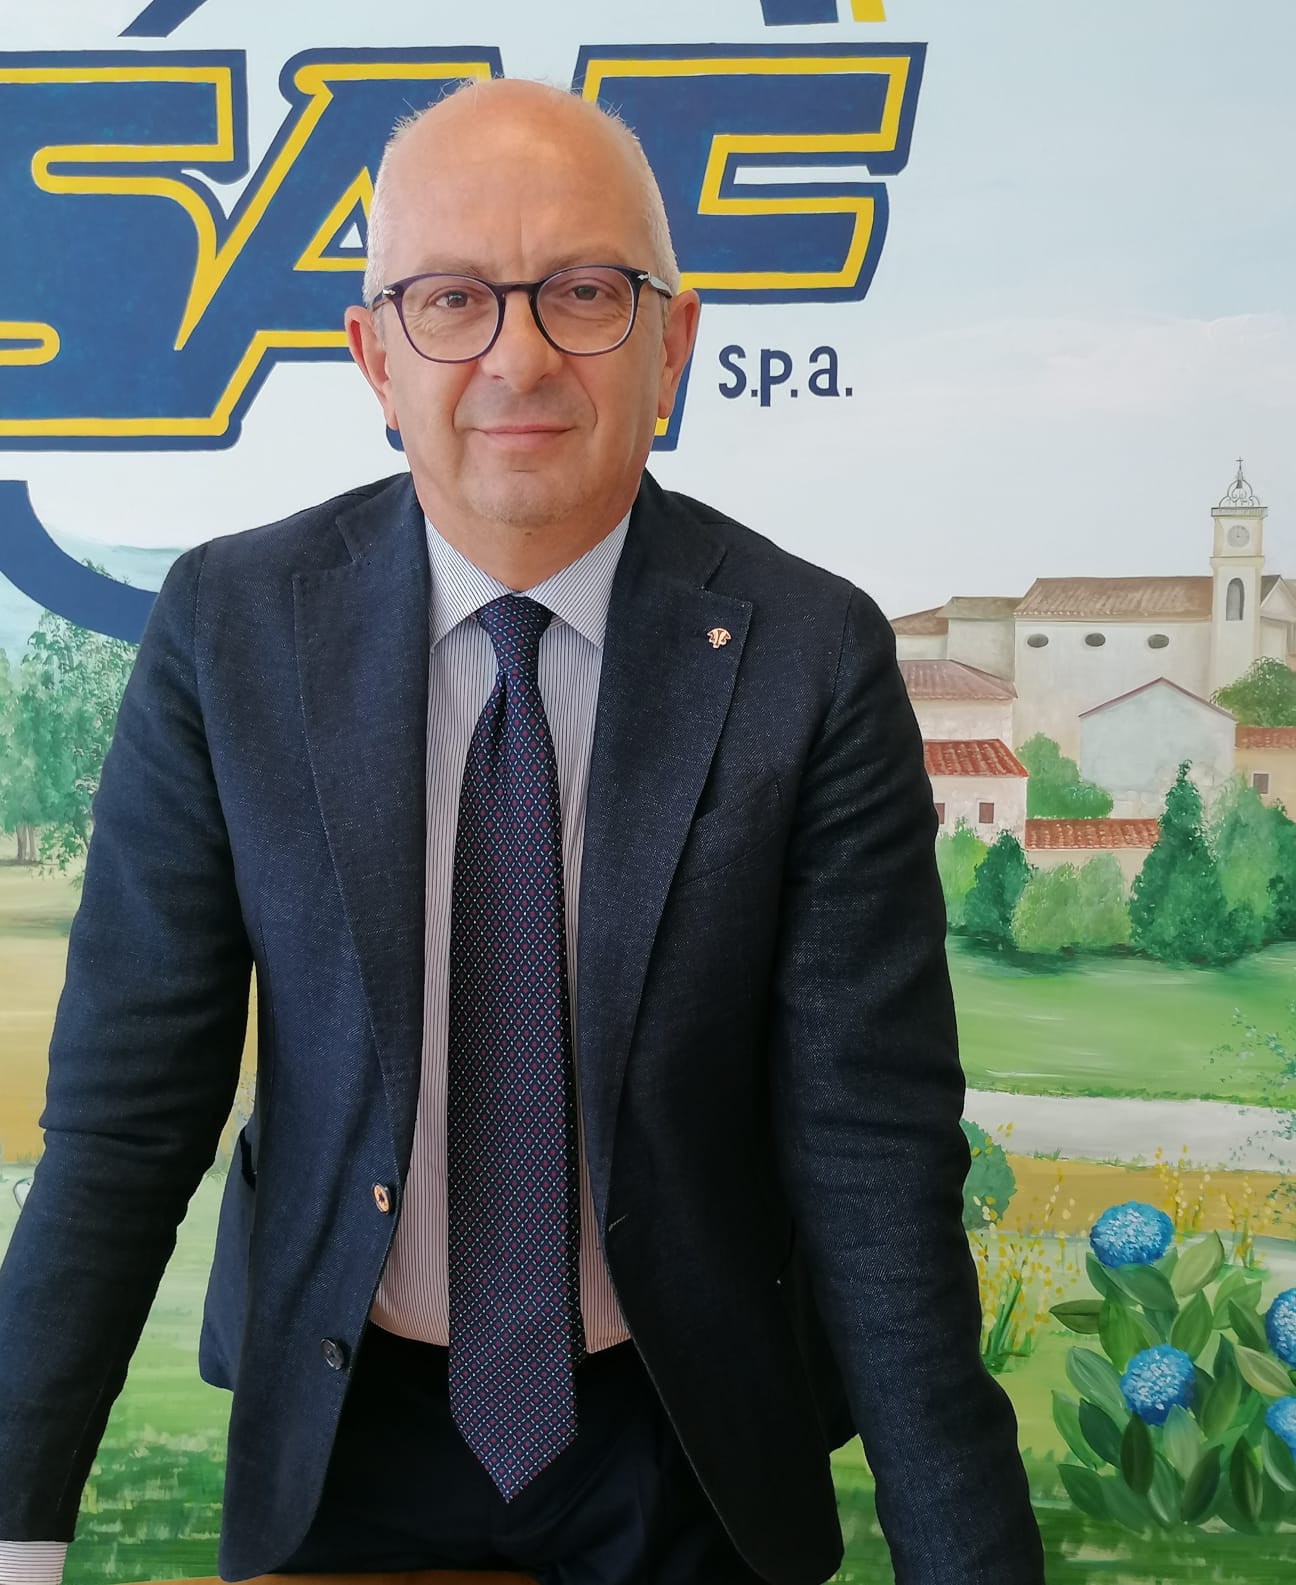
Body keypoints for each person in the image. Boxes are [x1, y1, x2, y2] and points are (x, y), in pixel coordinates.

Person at [0, 78, 1045, 1585]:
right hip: (342, 1432)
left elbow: (873, 1159)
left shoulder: (809, 658)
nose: (519, 355)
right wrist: (18, 1527)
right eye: (451, 300)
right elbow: (123, 1121)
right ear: (374, 356)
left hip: (684, 1443)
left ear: (673, 343)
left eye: (585, 292)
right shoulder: (231, 631)